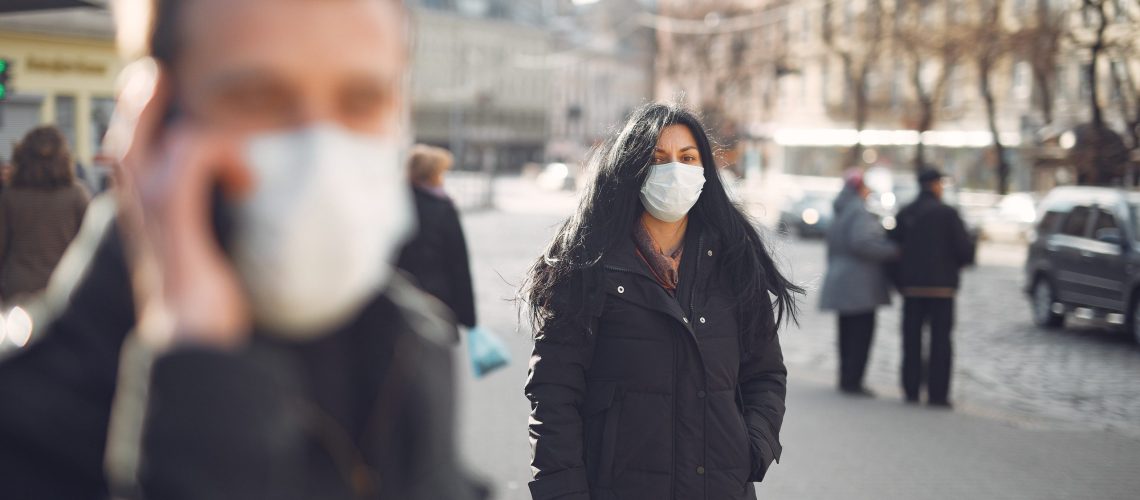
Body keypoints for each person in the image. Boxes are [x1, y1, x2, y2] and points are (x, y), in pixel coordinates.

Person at [0, 1, 485, 499]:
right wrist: (201, 387)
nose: (320, 154)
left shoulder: (409, 347)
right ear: (154, 122)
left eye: (362, 99)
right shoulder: (21, 422)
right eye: (260, 98)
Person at [523, 102, 799, 500]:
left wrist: (753, 448)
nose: (675, 170)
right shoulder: (584, 263)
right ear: (630, 169)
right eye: (658, 159)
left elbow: (766, 374)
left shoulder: (735, 260)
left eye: (688, 158)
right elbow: (553, 394)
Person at [889, 167, 975, 408]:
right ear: (936, 185)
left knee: (911, 340)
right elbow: (965, 251)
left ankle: (911, 390)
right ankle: (938, 394)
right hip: (942, 289)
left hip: (912, 289)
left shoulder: (906, 213)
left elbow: (893, 251)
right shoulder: (948, 214)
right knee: (941, 342)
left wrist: (901, 282)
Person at [819, 169, 898, 397]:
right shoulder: (859, 212)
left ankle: (846, 377)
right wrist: (893, 251)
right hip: (859, 285)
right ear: (859, 188)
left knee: (846, 333)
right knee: (861, 334)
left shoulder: (841, 210)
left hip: (841, 279)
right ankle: (853, 381)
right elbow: (862, 243)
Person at [0, 126, 91, 306]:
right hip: (64, 288)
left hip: (18, 289)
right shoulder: (77, 195)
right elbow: (91, 246)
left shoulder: (10, 196)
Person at [397, 144, 477, 335]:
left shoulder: (393, 204)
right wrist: (469, 319)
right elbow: (459, 264)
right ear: (432, 174)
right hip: (437, 303)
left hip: (398, 300)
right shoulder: (442, 209)